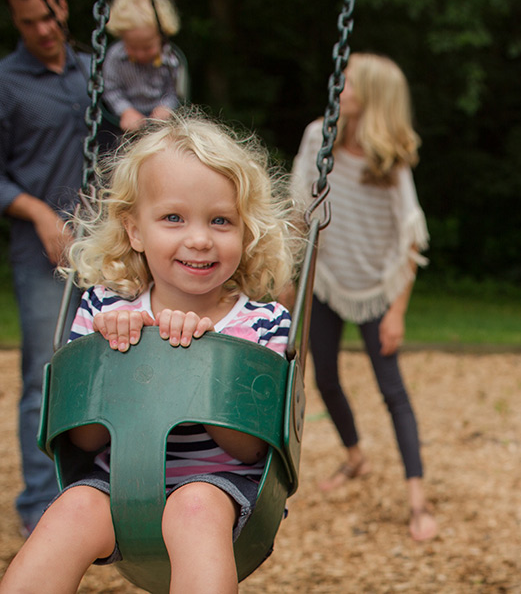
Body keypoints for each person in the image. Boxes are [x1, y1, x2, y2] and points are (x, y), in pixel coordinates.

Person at [0, 110, 299, 591]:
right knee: (70, 510)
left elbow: (247, 447)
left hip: (223, 488)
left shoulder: (262, 323)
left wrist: (199, 359)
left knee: (193, 507)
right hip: (118, 485)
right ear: (135, 230)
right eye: (173, 218)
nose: (199, 238)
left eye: (221, 220)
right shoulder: (102, 309)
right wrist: (116, 351)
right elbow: (85, 441)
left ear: (245, 234)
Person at [289, 53, 437, 542]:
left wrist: (397, 310)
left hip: (376, 289)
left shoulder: (390, 158)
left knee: (392, 391)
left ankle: (418, 497)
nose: (339, 85)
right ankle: (355, 456)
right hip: (329, 280)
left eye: (349, 81)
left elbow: (412, 237)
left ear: (373, 96)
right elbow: (299, 209)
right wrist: (292, 281)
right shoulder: (319, 137)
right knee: (325, 377)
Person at [0, 0, 89, 537]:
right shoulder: (7, 81)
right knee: (44, 374)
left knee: (106, 364)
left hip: (107, 246)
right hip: (41, 255)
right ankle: (40, 504)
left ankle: (95, 490)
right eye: (28, 22)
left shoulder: (95, 68)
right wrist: (35, 211)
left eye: (49, 16)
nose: (43, 30)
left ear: (63, 5)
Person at [103, 0, 181, 132]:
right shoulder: (115, 57)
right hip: (125, 121)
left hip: (160, 120)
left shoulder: (170, 58)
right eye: (132, 47)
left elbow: (174, 91)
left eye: (147, 47)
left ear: (162, 37)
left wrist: (165, 108)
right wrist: (125, 111)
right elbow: (111, 90)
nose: (140, 54)